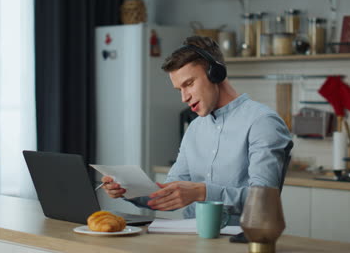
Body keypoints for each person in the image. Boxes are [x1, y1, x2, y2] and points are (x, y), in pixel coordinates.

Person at [102, 36, 292, 225]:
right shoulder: (194, 128)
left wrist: (201, 192)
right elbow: (171, 193)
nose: (184, 97)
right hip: (194, 241)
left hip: (243, 242)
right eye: (179, 89)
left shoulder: (262, 122)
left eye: (189, 84)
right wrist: (127, 190)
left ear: (215, 73)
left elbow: (264, 199)